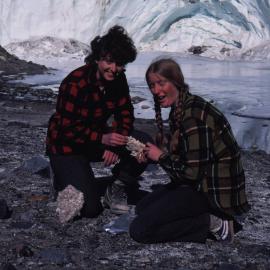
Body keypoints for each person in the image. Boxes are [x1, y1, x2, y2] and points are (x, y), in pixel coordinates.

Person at [129, 58, 250, 244]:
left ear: (175, 81)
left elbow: (192, 173)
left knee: (140, 230)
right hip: (200, 184)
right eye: (152, 85)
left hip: (214, 192)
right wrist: (154, 155)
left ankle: (215, 222)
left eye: (161, 83)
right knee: (142, 208)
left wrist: (160, 157)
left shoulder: (192, 116)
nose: (156, 91)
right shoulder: (181, 107)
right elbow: (184, 161)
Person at [46, 25, 152, 219]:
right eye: (109, 61)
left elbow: (125, 114)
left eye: (119, 63)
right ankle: (62, 178)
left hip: (96, 140)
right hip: (66, 147)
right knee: (89, 209)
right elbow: (66, 130)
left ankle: (116, 189)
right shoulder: (74, 83)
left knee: (144, 145)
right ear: (97, 58)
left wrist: (115, 141)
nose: (114, 69)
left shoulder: (119, 80)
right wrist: (103, 139)